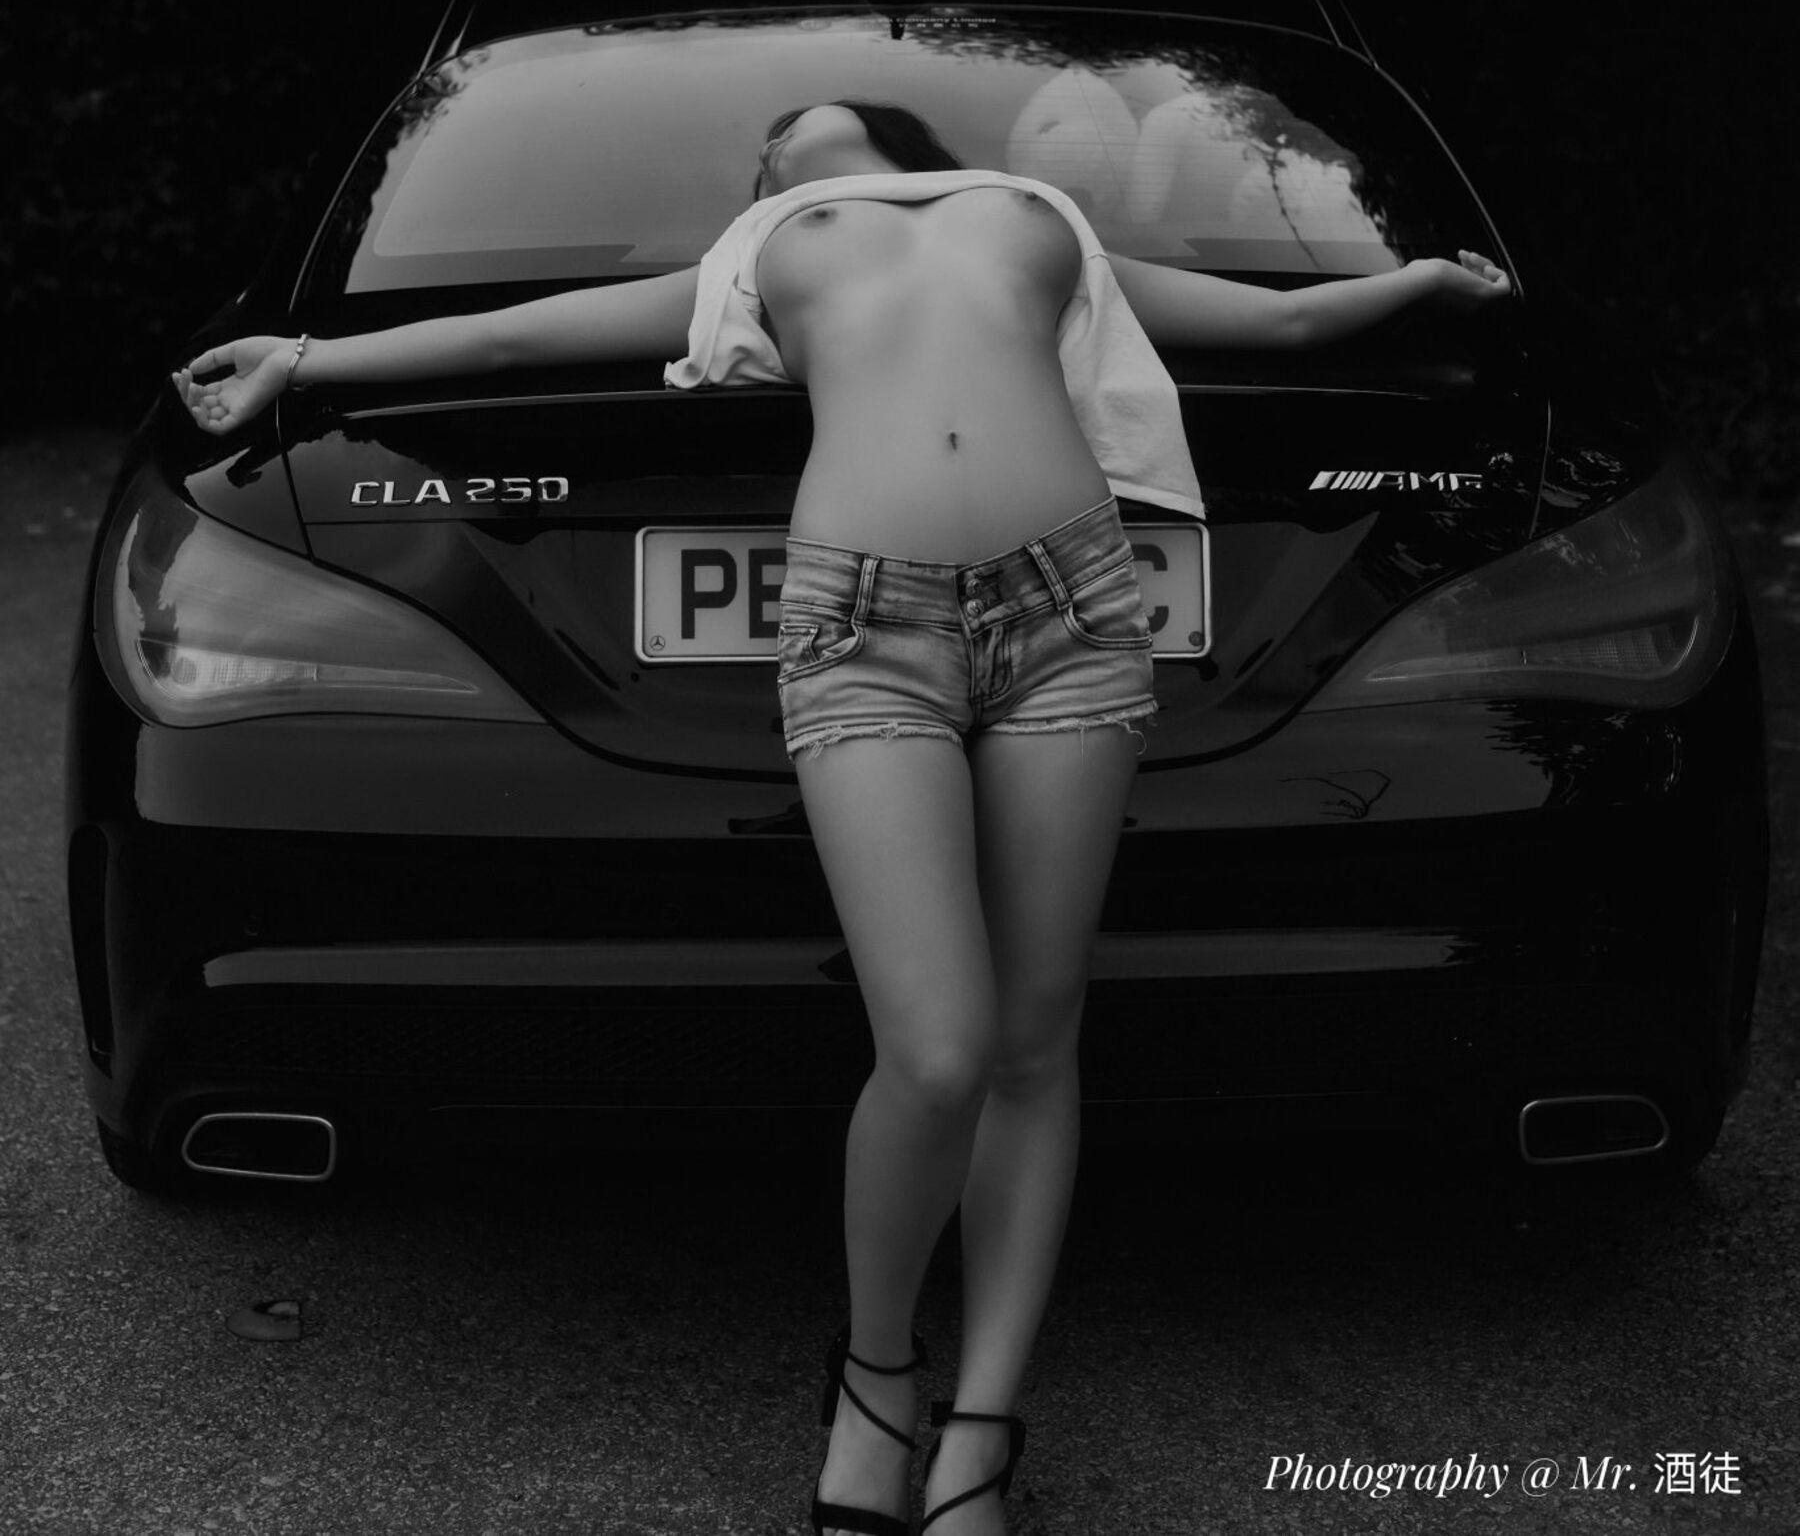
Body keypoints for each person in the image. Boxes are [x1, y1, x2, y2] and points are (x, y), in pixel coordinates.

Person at [176, 97, 1512, 1535]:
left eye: (794, 128)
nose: (774, 147)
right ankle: (877, 1376)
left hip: (1073, 616)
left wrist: (1422, 286)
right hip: (864, 630)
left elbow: (1287, 325)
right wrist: (304, 360)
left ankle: (983, 1427)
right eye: (763, 154)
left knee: (1033, 1041)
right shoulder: (758, 246)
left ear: (891, 139)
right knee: (936, 1050)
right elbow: (509, 341)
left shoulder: (1038, 214)